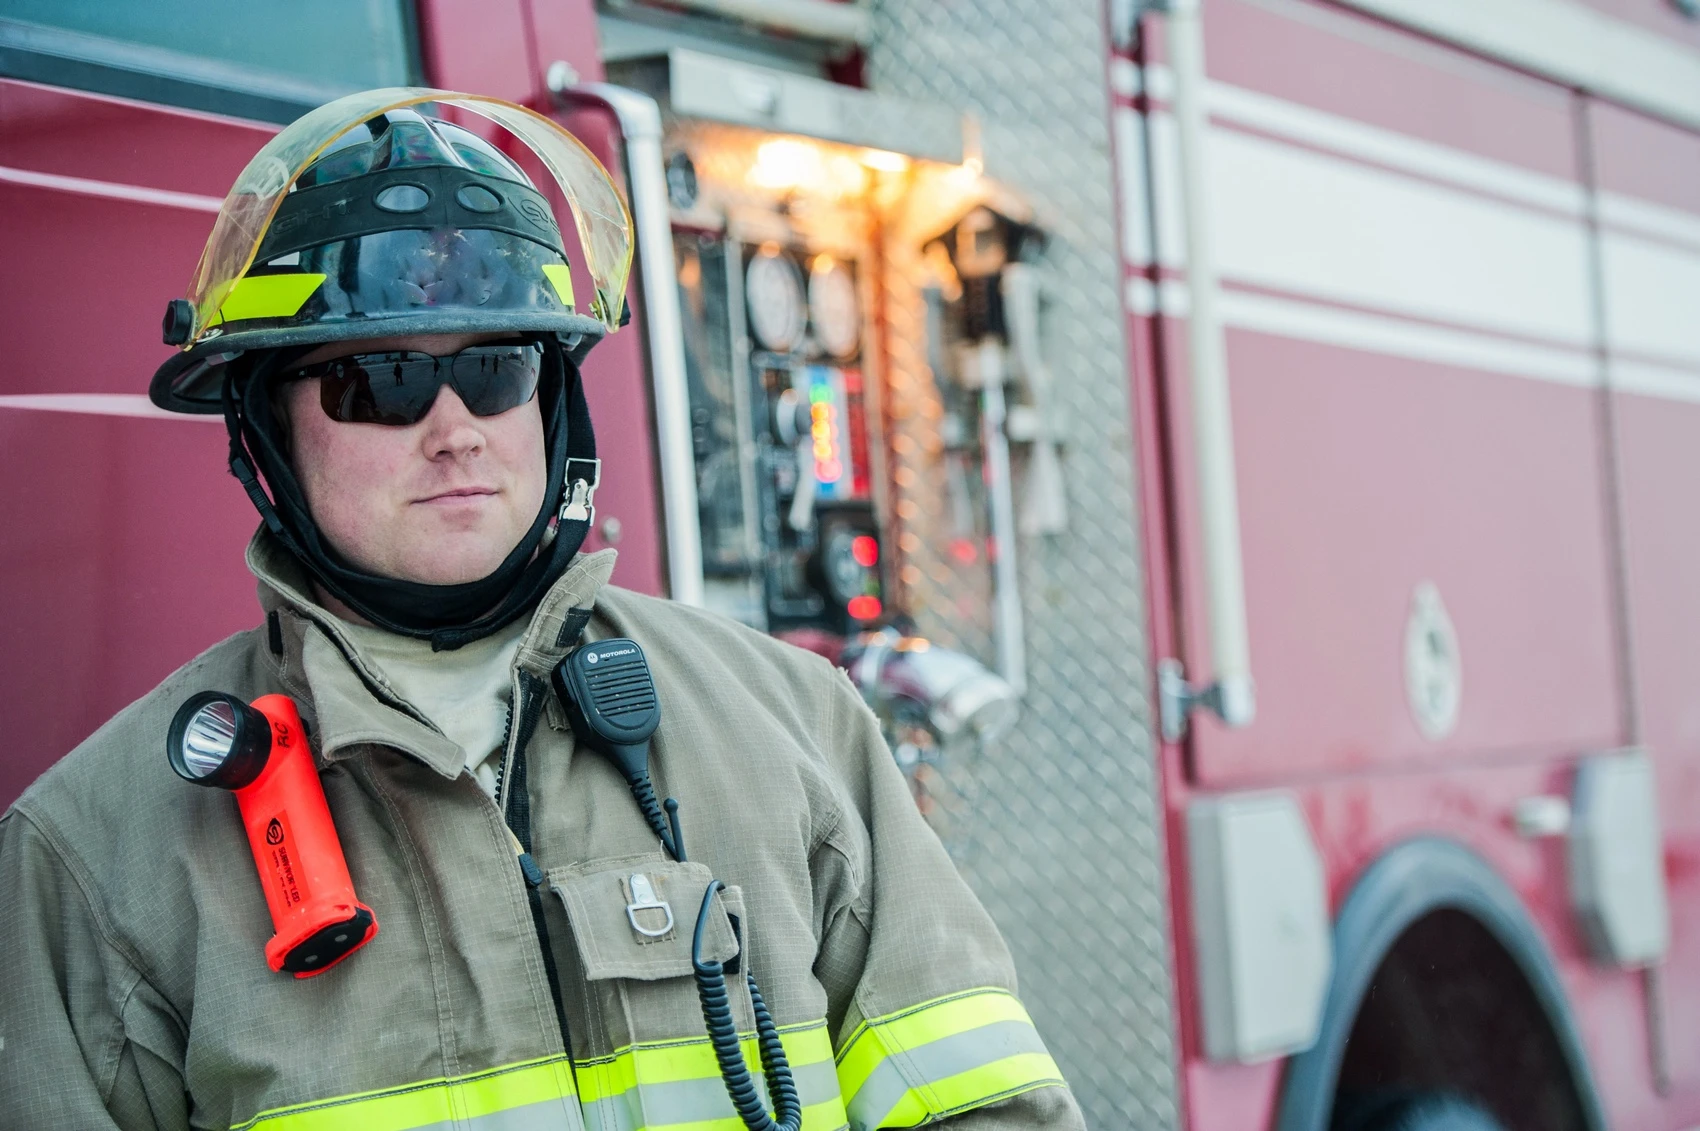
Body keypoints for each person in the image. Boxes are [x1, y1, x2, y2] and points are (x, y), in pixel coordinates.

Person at [0, 91, 1084, 1130]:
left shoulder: (789, 720)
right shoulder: (92, 852)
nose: (455, 430)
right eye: (378, 381)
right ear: (266, 430)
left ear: (551, 401)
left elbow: (985, 1105)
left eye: (497, 369)